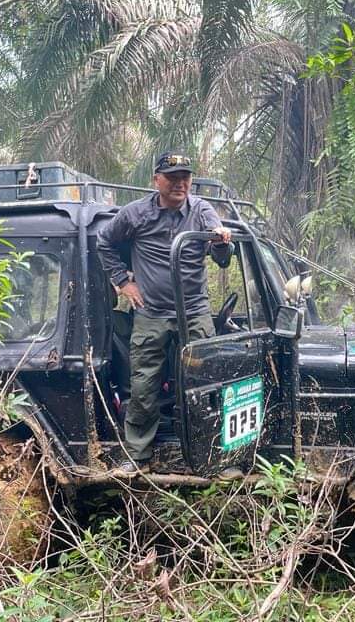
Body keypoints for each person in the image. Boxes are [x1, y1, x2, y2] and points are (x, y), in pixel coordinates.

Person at [97, 151, 232, 476]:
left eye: (185, 177)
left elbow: (223, 258)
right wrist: (122, 281)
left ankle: (213, 457)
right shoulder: (135, 214)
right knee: (144, 385)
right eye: (172, 177)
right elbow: (104, 242)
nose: (180, 183)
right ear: (156, 179)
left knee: (206, 386)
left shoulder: (201, 210)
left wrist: (222, 241)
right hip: (151, 314)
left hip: (195, 313)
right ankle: (138, 456)